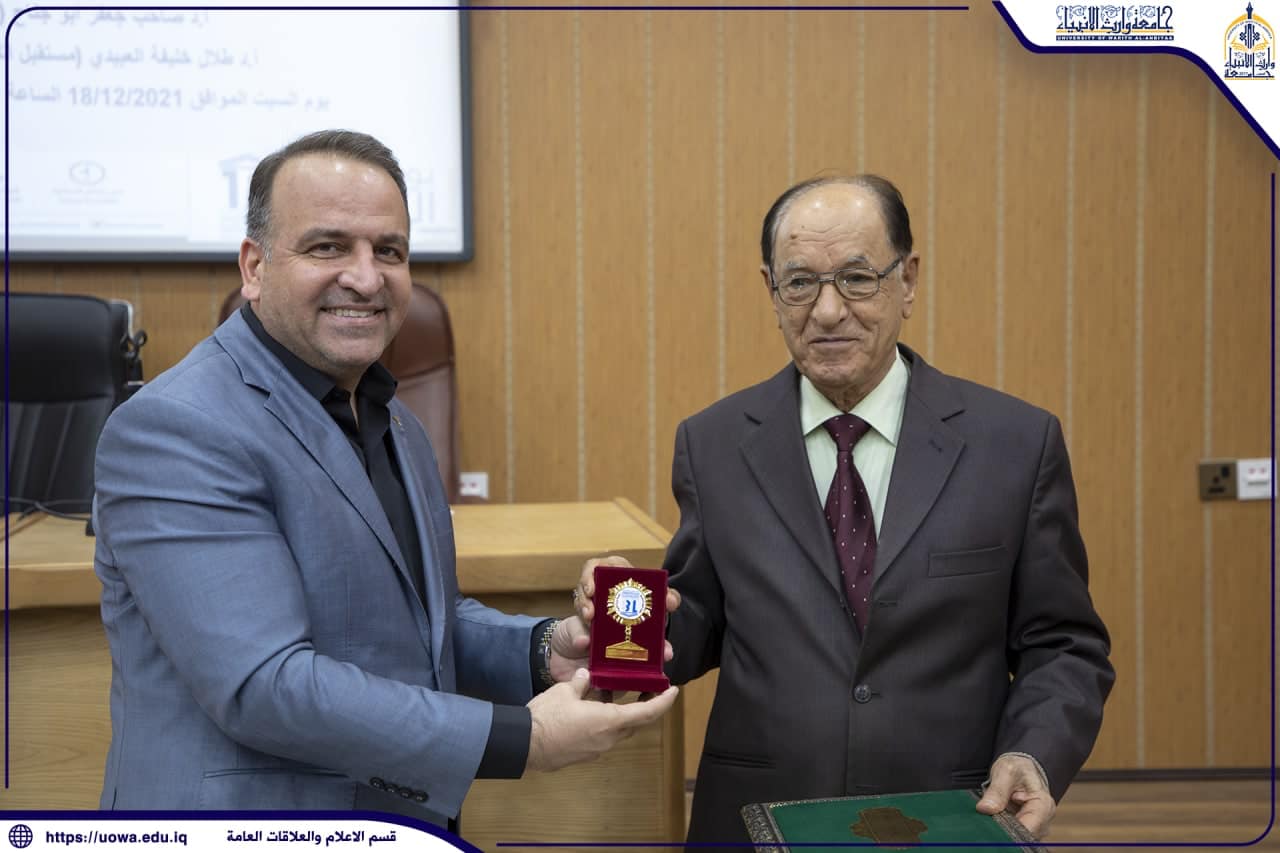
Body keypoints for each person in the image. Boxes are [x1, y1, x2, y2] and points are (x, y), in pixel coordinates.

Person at [92, 129, 677, 826]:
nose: (367, 278)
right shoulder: (177, 427)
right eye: (327, 246)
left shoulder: (394, 420)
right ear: (254, 266)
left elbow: (420, 627)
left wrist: (546, 649)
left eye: (389, 251)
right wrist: (523, 737)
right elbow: (263, 685)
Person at [577, 175, 1114, 844]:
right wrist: (624, 617)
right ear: (772, 290)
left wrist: (1033, 750)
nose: (828, 311)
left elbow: (1062, 642)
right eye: (800, 283)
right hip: (759, 817)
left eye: (857, 279)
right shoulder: (712, 443)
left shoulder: (1015, 444)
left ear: (907, 281)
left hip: (949, 816)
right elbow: (700, 620)